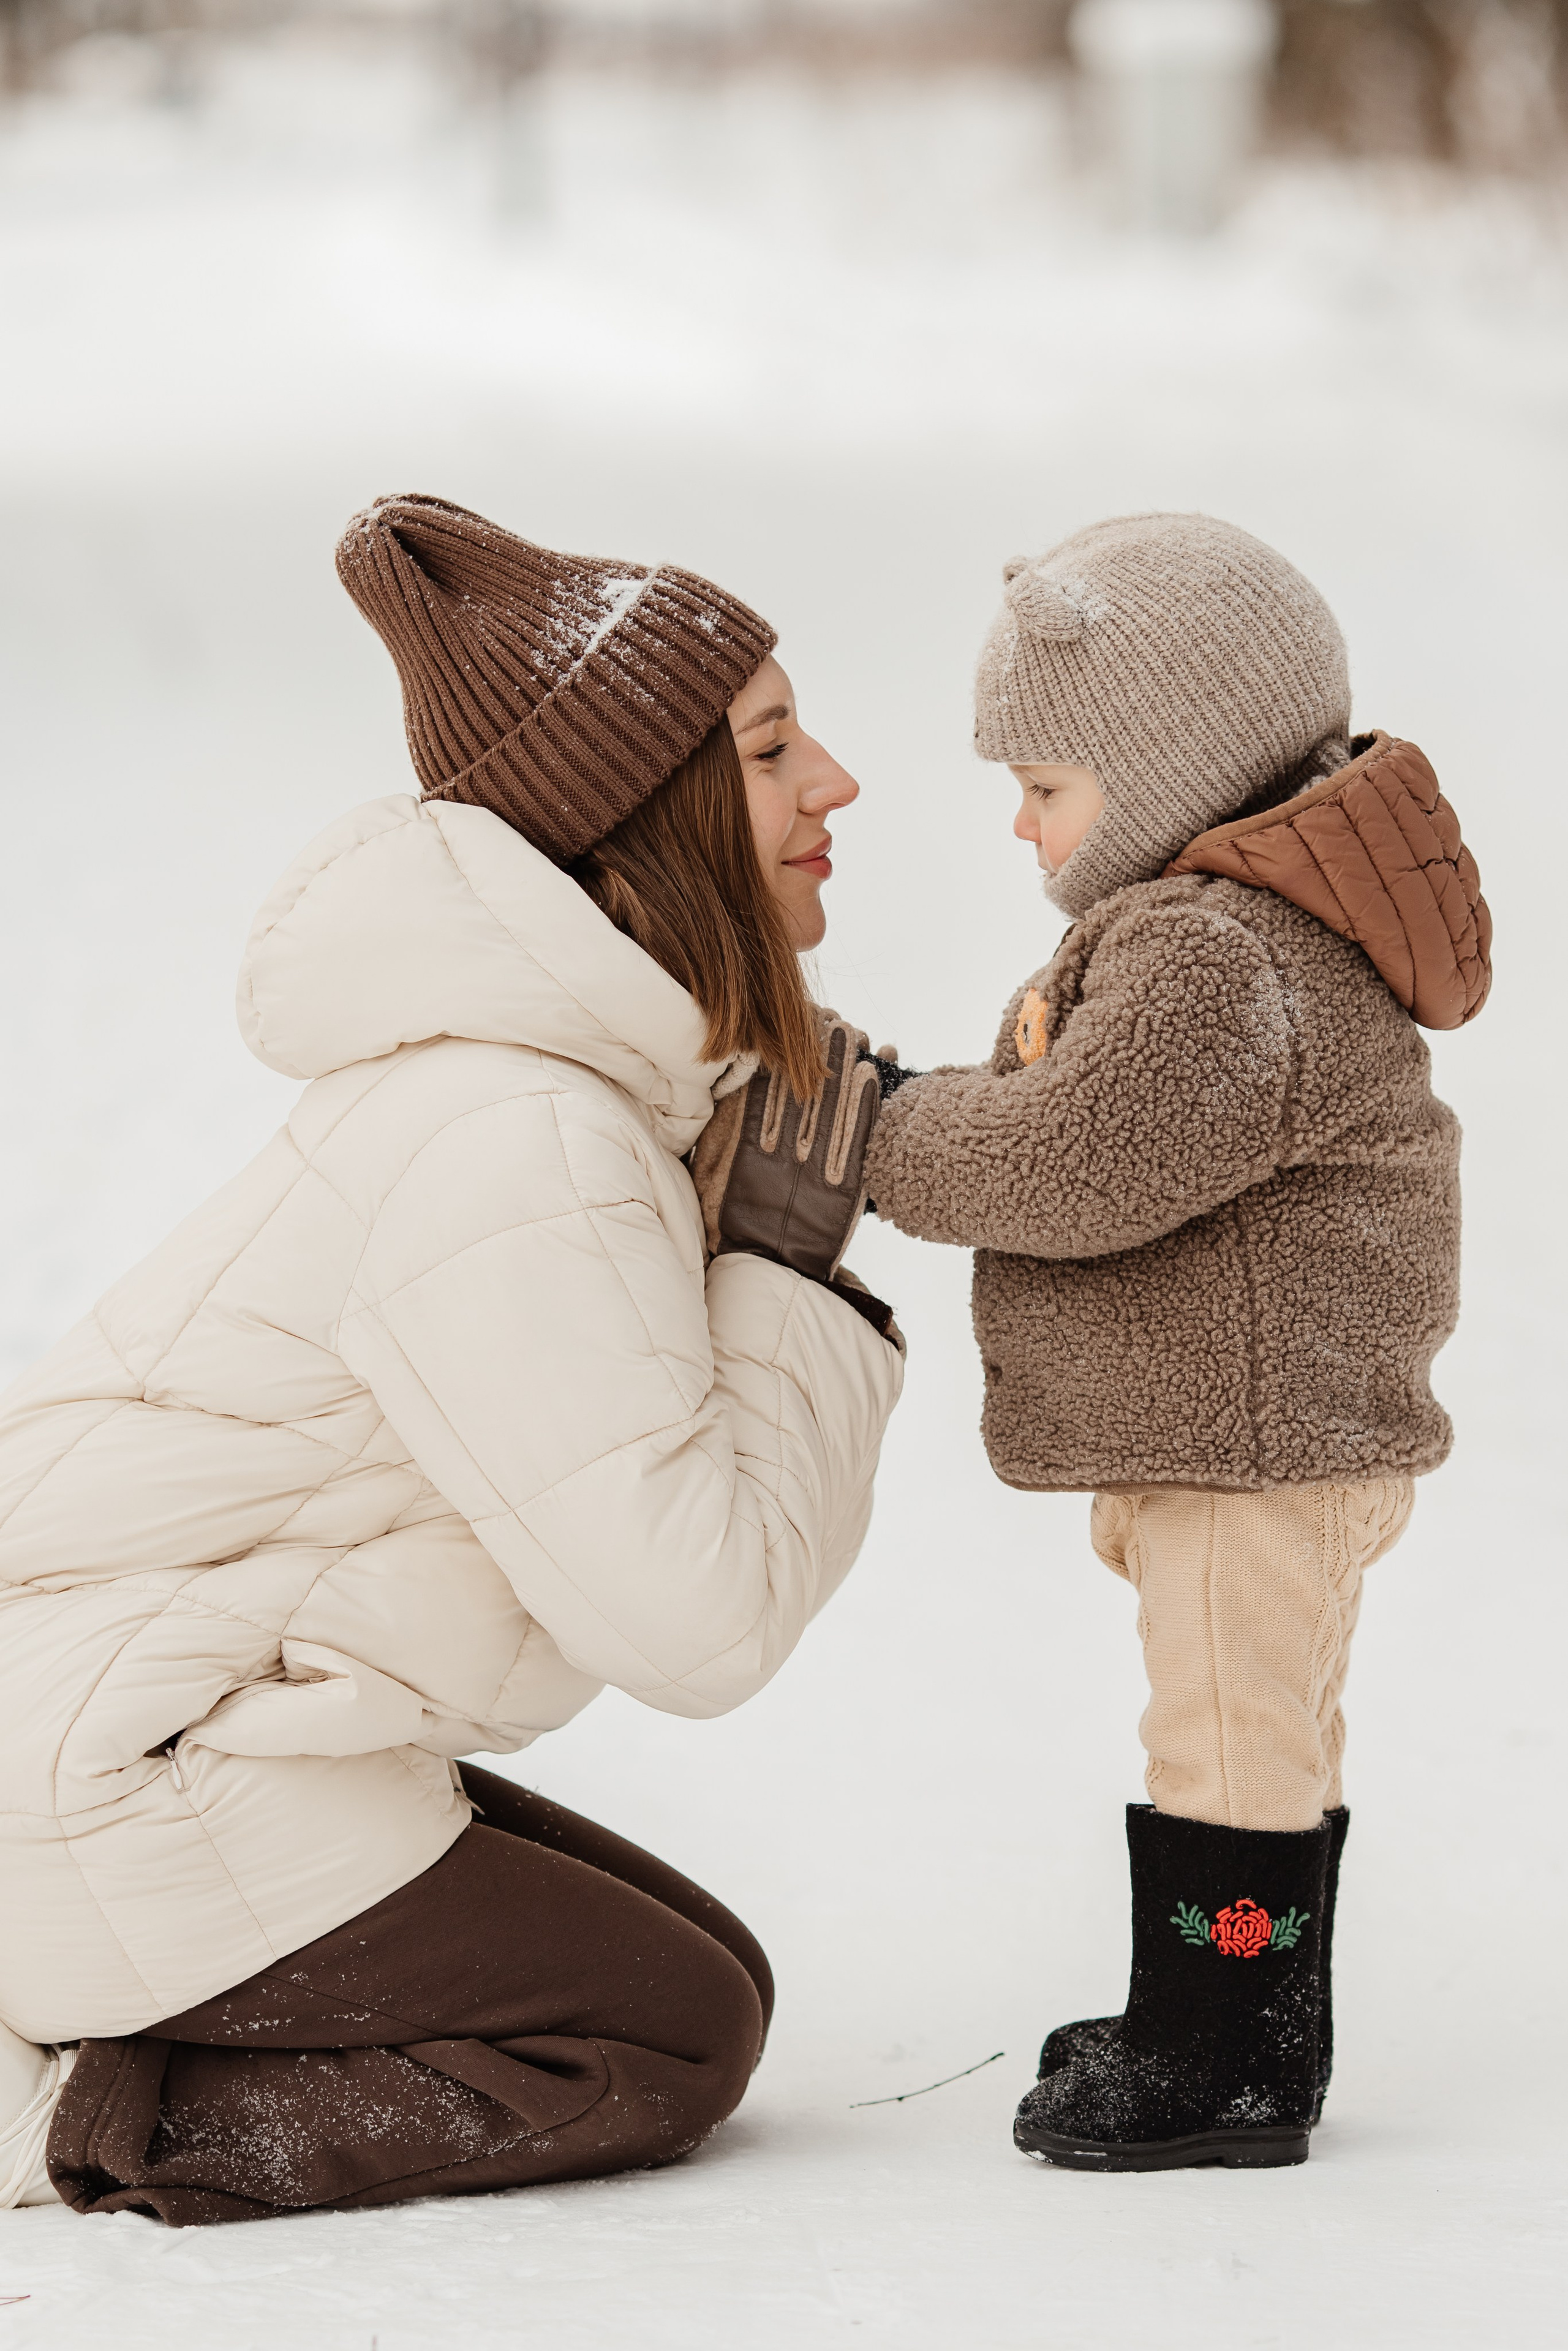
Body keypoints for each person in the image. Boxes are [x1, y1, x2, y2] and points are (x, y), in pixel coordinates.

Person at [0, 495, 903, 2225]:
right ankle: (75, 2116)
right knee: (662, 2031)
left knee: (704, 1966)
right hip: (104, 1773)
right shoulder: (520, 1141)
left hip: (124, 1725)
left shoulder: (540, 1094)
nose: (836, 784)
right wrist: (780, 1276)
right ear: (650, 815)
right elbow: (699, 1625)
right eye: (774, 749)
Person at [863, 513, 1490, 2172]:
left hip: (1252, 1444)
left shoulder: (1218, 951)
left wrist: (878, 1133)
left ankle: (1219, 2056)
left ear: (1165, 770)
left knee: (1227, 1738)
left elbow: (1081, 1157)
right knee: (1264, 1728)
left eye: (1046, 784)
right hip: (1263, 1431)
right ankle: (1241, 2021)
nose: (1020, 821)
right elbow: (1081, 1111)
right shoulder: (1235, 929)